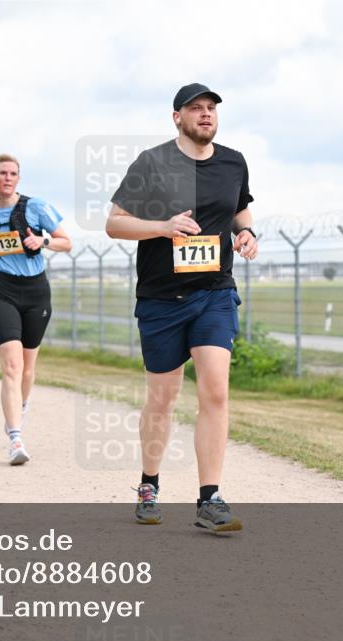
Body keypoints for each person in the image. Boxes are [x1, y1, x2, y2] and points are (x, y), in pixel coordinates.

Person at [105, 83, 258, 532]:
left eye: (211, 108)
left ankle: (210, 498)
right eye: (196, 108)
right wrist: (162, 226)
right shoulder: (153, 163)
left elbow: (240, 209)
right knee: (163, 398)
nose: (206, 114)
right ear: (177, 117)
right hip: (161, 299)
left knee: (215, 391)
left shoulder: (233, 162)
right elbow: (114, 223)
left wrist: (246, 233)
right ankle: (149, 484)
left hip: (214, 291)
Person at [0, 153, 72, 465]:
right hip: (2, 290)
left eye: (13, 173)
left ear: (18, 177)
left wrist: (41, 243)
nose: (8, 178)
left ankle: (21, 406)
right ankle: (15, 438)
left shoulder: (36, 207)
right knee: (12, 367)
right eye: (2, 173)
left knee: (28, 368)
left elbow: (66, 242)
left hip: (36, 291)